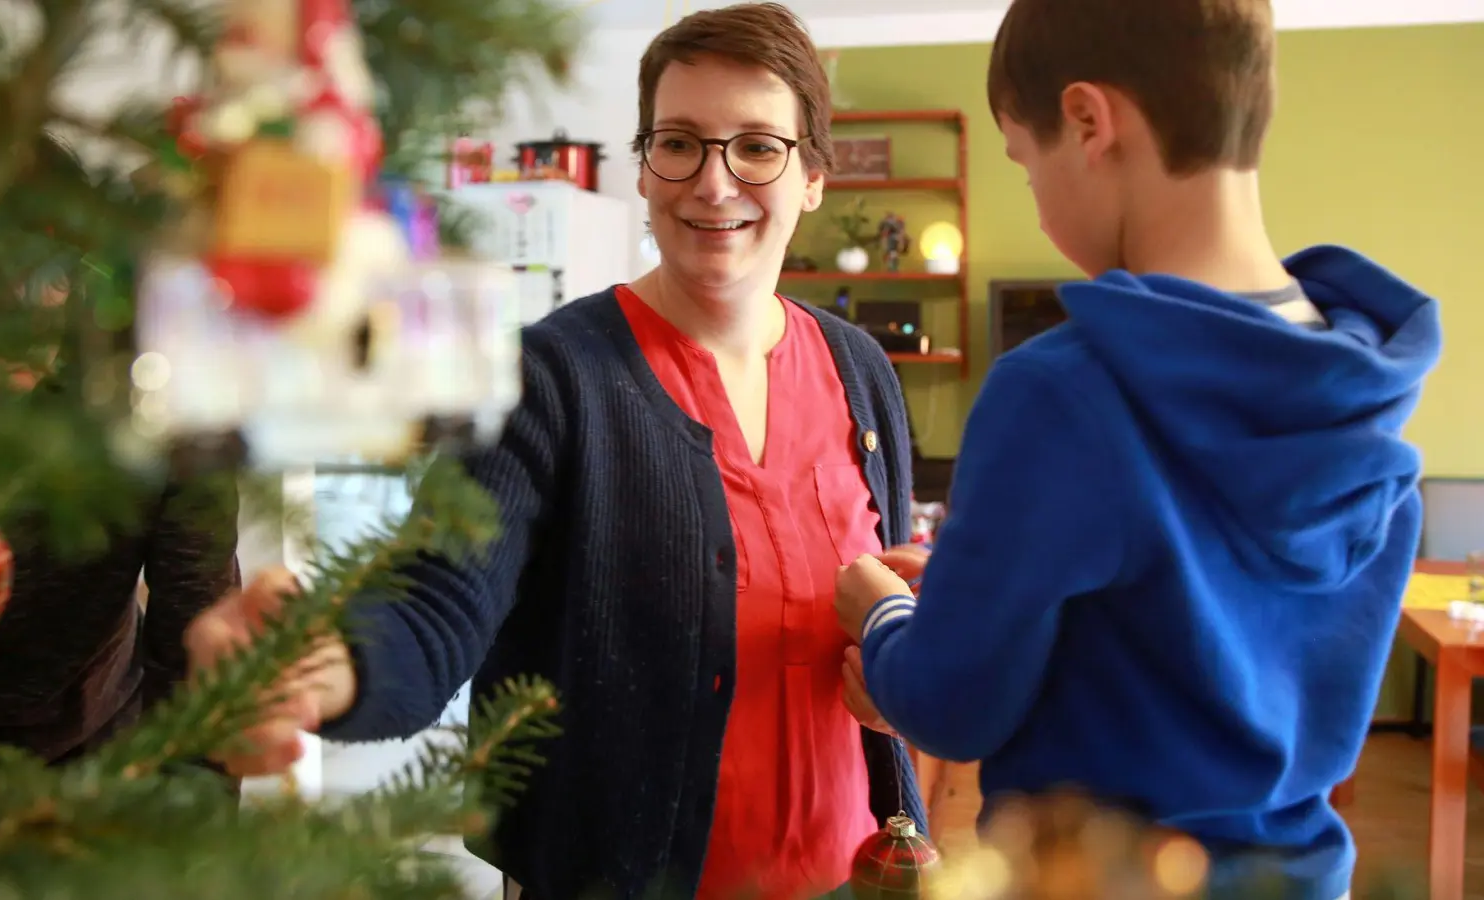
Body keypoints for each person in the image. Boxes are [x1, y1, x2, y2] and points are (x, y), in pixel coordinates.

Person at [185, 3, 926, 899]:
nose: (715, 183)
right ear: (644, 168)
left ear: (812, 176)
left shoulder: (861, 373)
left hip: (854, 875)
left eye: (758, 146)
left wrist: (905, 668)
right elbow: (437, 600)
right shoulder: (550, 375)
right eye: (681, 142)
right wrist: (322, 665)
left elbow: (881, 605)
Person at [832, 1, 1442, 898]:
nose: (1037, 210)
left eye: (1024, 162)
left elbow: (954, 707)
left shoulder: (1062, 390)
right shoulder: (1362, 397)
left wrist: (883, 614)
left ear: (1088, 121)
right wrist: (970, 588)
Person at [0, 132, 242, 771]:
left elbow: (197, 651)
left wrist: (183, 837)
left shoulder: (150, 391)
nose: (5, 326)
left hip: (78, 771)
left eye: (43, 277)